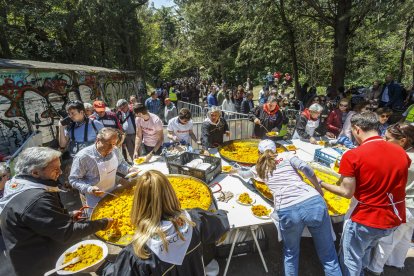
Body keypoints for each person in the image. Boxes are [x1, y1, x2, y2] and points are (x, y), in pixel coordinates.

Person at [320, 112, 410, 276]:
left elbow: (347, 192)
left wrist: (321, 184)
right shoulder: (402, 152)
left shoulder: (353, 155)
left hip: (366, 219)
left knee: (351, 260)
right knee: (366, 251)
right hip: (393, 218)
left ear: (356, 129)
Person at [0, 147, 113, 276]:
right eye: (55, 169)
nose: (60, 172)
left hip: (37, 251)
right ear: (35, 173)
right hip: (41, 266)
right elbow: (68, 233)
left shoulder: (20, 183)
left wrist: (67, 216)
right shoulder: (37, 200)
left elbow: (37, 219)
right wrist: (103, 223)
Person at [235, 140, 341, 276]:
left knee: (291, 254)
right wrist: (318, 188)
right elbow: (306, 168)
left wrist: (235, 170)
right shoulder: (286, 155)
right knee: (329, 256)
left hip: (287, 209)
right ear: (276, 150)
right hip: (313, 202)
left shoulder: (258, 168)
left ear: (258, 153)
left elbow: (244, 175)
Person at [102, 170, 229, 276]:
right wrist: (221, 212)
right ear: (171, 193)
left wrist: (101, 266)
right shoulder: (195, 220)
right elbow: (221, 222)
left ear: (138, 202)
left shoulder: (137, 252)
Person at [367, 123, 414, 274]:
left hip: (404, 206)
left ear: (403, 140)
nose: (383, 140)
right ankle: (397, 262)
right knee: (405, 237)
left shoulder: (405, 158)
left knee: (388, 239)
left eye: (388, 138)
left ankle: (374, 268)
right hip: (411, 207)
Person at [69, 127, 138, 209]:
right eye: (108, 143)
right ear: (98, 140)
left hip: (113, 192)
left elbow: (120, 164)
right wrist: (89, 188)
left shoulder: (115, 150)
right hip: (94, 198)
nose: (111, 148)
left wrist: (129, 169)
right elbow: (74, 180)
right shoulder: (83, 157)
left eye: (114, 144)